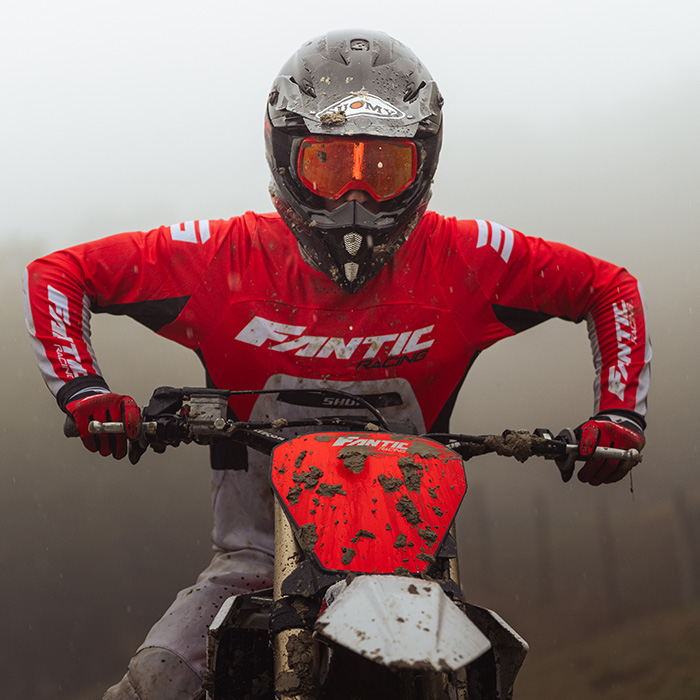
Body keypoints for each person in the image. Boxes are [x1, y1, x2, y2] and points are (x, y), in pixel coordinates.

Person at [23, 28, 650, 700]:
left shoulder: (464, 258)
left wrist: (619, 414)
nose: (356, 198)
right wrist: (84, 391)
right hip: (254, 562)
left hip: (416, 568)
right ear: (284, 154)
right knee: (159, 681)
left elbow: (607, 287)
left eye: (384, 169)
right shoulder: (224, 256)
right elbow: (59, 273)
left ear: (424, 162)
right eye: (327, 164)